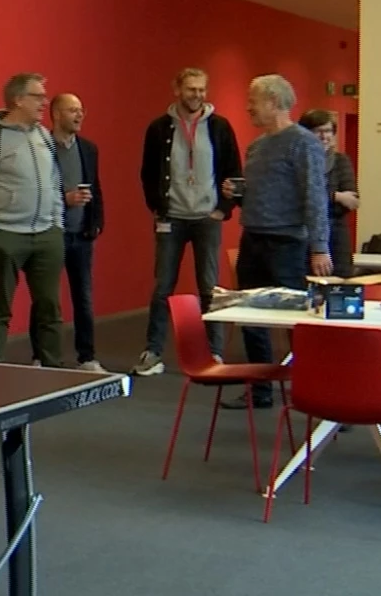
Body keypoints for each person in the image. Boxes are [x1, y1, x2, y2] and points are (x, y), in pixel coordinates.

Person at [222, 74, 331, 408]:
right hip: (253, 238)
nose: (248, 108)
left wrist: (319, 246)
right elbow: (263, 193)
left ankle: (320, 393)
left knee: (298, 323)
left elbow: (314, 195)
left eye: (253, 101)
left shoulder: (303, 143)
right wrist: (238, 194)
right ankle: (261, 389)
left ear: (273, 101)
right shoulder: (255, 146)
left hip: (287, 243)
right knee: (252, 317)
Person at [134, 67, 242, 377]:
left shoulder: (219, 127)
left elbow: (234, 172)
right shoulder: (159, 128)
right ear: (177, 90)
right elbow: (147, 173)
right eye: (191, 89)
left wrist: (222, 209)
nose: (197, 95)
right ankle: (152, 352)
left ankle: (215, 353)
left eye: (202, 89)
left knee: (209, 287)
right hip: (172, 218)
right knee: (162, 287)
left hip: (207, 218)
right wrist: (157, 206)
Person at [0, 72, 65, 370]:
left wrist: (57, 224)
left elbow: (54, 182)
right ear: (18, 100)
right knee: (0, 309)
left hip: (47, 235)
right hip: (7, 236)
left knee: (50, 309)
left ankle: (53, 373)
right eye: (38, 97)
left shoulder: (44, 136)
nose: (45, 102)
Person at [50, 92, 106, 373]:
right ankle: (44, 356)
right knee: (47, 297)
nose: (79, 115)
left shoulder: (88, 148)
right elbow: (38, 190)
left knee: (83, 297)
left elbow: (95, 186)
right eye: (73, 110)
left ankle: (87, 357)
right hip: (52, 232)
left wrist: (96, 222)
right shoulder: (42, 148)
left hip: (81, 235)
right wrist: (65, 198)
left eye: (81, 109)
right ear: (57, 114)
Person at [299, 108, 360, 277]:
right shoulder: (299, 162)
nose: (325, 136)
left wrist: (324, 198)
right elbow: (299, 197)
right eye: (319, 131)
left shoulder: (341, 161)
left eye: (329, 131)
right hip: (303, 236)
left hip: (337, 238)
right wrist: (335, 196)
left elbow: (352, 202)